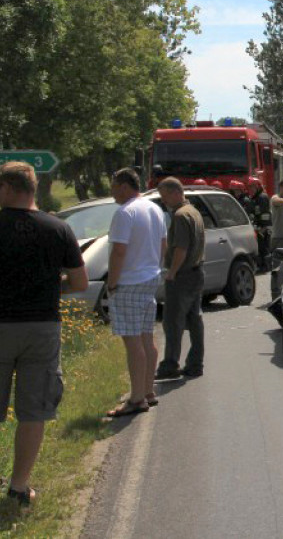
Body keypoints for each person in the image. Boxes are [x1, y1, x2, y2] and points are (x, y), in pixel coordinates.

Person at [0, 162, 87, 506]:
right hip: (42, 327)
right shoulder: (59, 229)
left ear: (9, 188)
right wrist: (46, 287)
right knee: (34, 409)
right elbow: (79, 282)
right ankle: (18, 486)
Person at [104, 168, 167, 418]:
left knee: (133, 343)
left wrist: (112, 282)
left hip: (129, 281)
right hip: (150, 277)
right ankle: (148, 390)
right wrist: (155, 267)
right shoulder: (155, 208)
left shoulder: (125, 212)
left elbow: (119, 251)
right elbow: (163, 244)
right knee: (146, 337)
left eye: (113, 185)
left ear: (123, 185)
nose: (111, 191)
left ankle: (137, 398)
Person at [154, 177, 206, 380]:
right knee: (194, 319)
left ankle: (170, 364)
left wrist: (172, 272)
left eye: (165, 196)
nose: (163, 201)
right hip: (197, 272)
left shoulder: (180, 215)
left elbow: (181, 248)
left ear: (176, 192)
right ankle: (195, 364)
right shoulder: (193, 211)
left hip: (183, 275)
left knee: (172, 321)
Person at [247, 178, 271, 271]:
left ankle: (265, 266)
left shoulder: (262, 197)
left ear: (258, 186)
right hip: (257, 227)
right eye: (250, 187)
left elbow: (265, 214)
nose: (251, 189)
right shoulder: (255, 198)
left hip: (262, 228)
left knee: (263, 248)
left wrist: (263, 228)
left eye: (253, 186)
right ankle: (261, 265)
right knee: (259, 248)